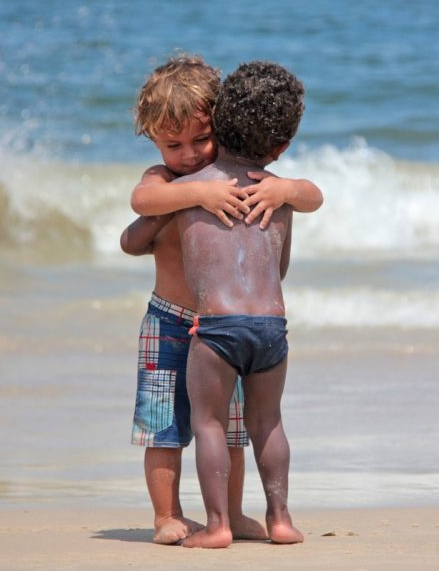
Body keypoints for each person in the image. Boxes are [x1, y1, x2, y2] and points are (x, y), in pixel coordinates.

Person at [120, 55, 322, 545]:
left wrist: (286, 188)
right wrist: (197, 195)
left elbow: (311, 196)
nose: (188, 155)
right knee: (164, 424)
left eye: (199, 140)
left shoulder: (244, 177)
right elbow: (141, 204)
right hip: (171, 320)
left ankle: (228, 514)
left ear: (222, 123)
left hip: (220, 326)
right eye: (173, 145)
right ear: (153, 140)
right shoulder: (168, 181)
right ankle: (167, 514)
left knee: (231, 429)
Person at [174, 61, 314, 549]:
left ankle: (217, 526)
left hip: (216, 328)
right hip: (272, 327)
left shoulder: (193, 189)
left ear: (215, 121)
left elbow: (133, 239)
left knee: (208, 421)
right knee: (268, 421)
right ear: (281, 148)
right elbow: (281, 269)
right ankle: (280, 519)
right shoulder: (280, 196)